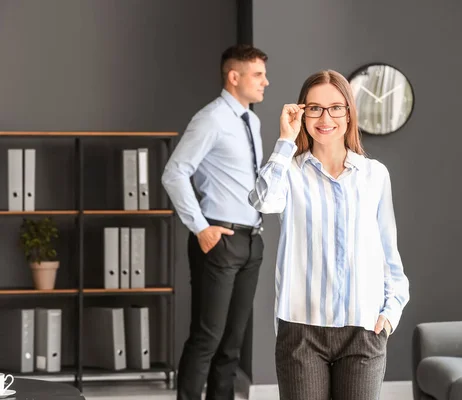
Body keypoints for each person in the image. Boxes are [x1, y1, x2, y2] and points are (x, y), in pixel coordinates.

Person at [248, 70, 410, 400]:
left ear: (349, 113)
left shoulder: (374, 175)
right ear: (302, 113)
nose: (326, 118)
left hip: (363, 332)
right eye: (315, 108)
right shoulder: (290, 172)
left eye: (336, 107)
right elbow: (262, 201)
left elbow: (388, 253)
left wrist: (390, 313)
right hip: (301, 332)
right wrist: (284, 141)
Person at [161, 44, 269, 400]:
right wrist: (200, 228)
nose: (265, 82)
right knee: (207, 339)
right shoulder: (210, 118)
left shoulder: (251, 120)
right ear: (233, 76)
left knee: (232, 344)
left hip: (251, 241)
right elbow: (175, 173)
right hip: (219, 239)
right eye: (258, 75)